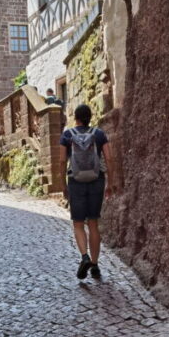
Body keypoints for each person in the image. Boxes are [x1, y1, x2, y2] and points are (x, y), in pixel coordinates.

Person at [60, 103, 114, 280]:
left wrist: (62, 184)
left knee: (78, 223)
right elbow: (109, 158)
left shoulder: (67, 135)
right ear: (89, 117)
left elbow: (61, 161)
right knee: (93, 223)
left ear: (75, 117)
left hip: (75, 181)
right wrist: (111, 181)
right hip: (96, 180)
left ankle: (84, 257)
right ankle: (95, 266)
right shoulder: (99, 134)